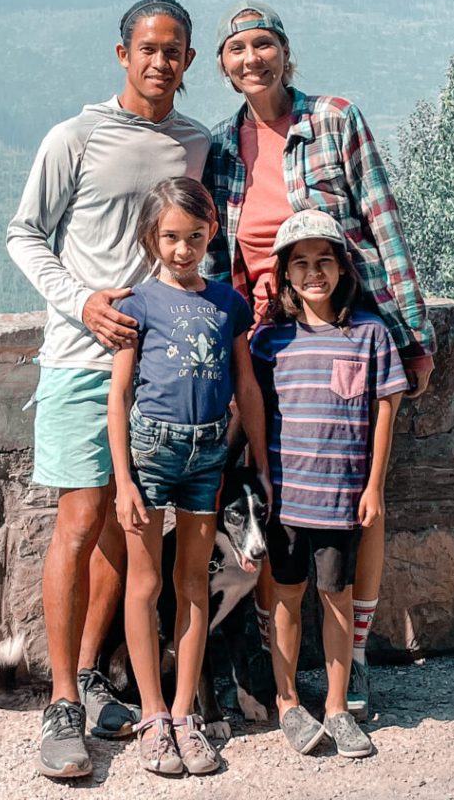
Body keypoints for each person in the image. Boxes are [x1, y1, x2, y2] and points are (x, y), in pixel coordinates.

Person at [207, 0, 435, 719]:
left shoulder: (337, 118)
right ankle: (264, 663)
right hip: (269, 343)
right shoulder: (221, 148)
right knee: (277, 497)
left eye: (264, 44)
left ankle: (354, 654)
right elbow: (220, 260)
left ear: (286, 53)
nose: (253, 59)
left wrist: (412, 333)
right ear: (222, 64)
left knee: (358, 502)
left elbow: (381, 220)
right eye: (237, 49)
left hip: (350, 324)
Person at [6, 0, 211, 778]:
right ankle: (61, 706)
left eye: (175, 50)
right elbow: (24, 232)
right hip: (80, 360)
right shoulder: (77, 136)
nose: (161, 61)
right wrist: (82, 301)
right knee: (81, 516)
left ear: (190, 62)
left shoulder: (195, 145)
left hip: (161, 372)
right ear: (122, 52)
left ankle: (90, 678)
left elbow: (203, 241)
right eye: (148, 47)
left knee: (133, 530)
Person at [108, 177, 269, 775]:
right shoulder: (139, 304)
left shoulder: (228, 304)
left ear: (211, 235)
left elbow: (246, 386)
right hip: (151, 453)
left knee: (194, 584)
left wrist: (261, 459)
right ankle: (152, 716)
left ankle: (184, 714)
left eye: (194, 237)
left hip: (207, 458)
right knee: (146, 584)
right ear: (153, 236)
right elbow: (119, 394)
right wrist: (123, 480)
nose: (182, 249)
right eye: (171, 237)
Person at [251, 209, 407, 758]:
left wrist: (373, 488)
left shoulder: (368, 335)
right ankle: (289, 703)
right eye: (300, 263)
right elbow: (255, 413)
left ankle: (338, 707)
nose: (313, 272)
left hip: (341, 498)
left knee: (336, 598)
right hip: (288, 498)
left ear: (342, 268)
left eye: (324, 261)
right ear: (285, 275)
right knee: (288, 597)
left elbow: (385, 411)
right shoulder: (271, 342)